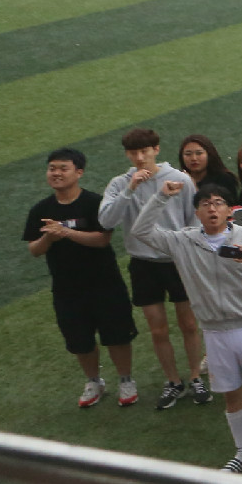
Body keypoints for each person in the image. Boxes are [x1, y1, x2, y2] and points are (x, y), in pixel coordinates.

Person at [134, 179, 242, 471]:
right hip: (215, 333)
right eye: (205, 204)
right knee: (231, 395)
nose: (212, 209)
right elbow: (141, 231)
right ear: (197, 212)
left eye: (218, 203)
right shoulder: (182, 241)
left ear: (228, 211)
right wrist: (161, 196)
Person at [98, 128, 205, 409]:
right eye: (133, 153)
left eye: (144, 151)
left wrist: (188, 251)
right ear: (127, 154)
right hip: (143, 264)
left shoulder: (180, 179)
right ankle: (173, 381)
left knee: (189, 324)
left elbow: (194, 221)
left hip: (178, 261)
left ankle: (196, 376)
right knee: (158, 330)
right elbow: (107, 221)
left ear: (156, 150)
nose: (139, 158)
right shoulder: (120, 183)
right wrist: (130, 189)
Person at [25, 148, 139, 409]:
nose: (56, 173)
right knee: (79, 340)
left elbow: (102, 239)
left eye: (63, 168)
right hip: (66, 288)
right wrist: (49, 237)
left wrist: (65, 232)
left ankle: (126, 380)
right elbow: (34, 250)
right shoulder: (40, 209)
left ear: (79, 172)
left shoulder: (94, 203)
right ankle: (93, 381)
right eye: (52, 168)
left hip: (105, 283)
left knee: (117, 335)